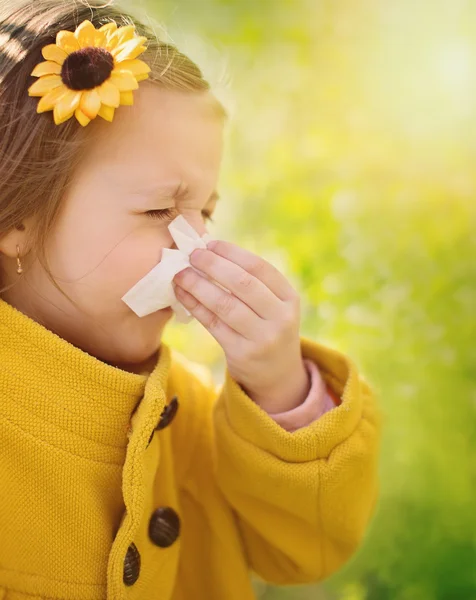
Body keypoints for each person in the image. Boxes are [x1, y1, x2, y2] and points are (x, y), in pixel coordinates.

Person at [0, 1, 382, 599]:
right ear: (16, 214)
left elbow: (304, 550)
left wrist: (280, 390)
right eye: (159, 211)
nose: (195, 247)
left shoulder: (195, 415)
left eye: (205, 213)